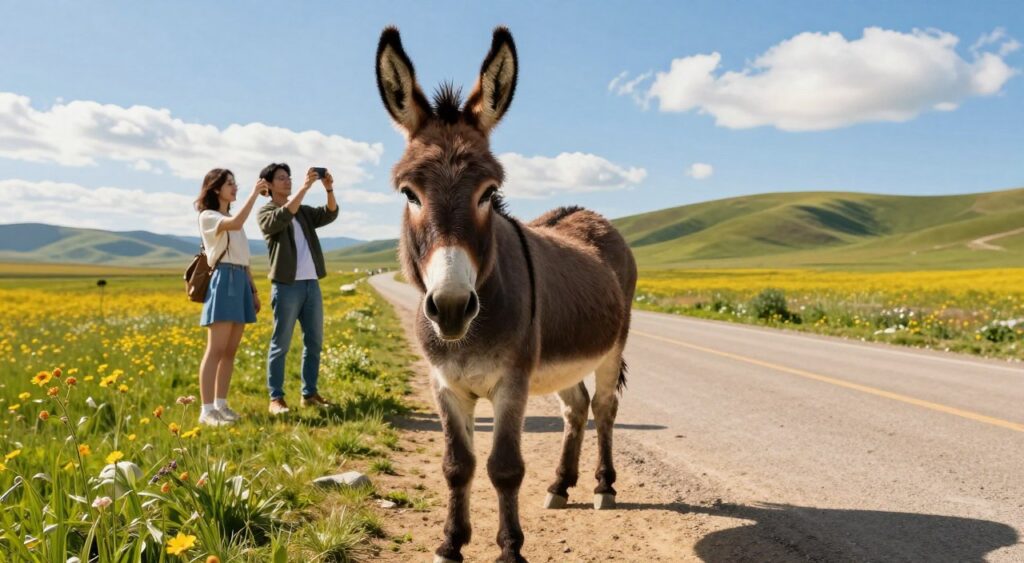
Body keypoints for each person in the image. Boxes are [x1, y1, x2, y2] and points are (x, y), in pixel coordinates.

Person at [257, 163, 339, 414]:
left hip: (311, 284)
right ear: (268, 185)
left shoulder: (302, 211)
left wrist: (328, 189)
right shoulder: (266, 212)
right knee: (280, 344)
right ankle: (276, 399)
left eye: (289, 177)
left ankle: (309, 394)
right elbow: (281, 218)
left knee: (314, 342)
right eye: (281, 178)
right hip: (286, 286)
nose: (288, 181)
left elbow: (329, 214)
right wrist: (305, 187)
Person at [195, 168, 267, 426]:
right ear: (216, 189)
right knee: (215, 349)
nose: (234, 187)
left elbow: (244, 260)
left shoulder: (229, 216)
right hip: (223, 279)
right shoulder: (209, 216)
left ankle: (221, 405)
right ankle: (206, 410)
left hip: (240, 279)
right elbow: (236, 224)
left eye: (235, 183)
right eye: (229, 184)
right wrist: (255, 194)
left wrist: (254, 291)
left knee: (230, 351)